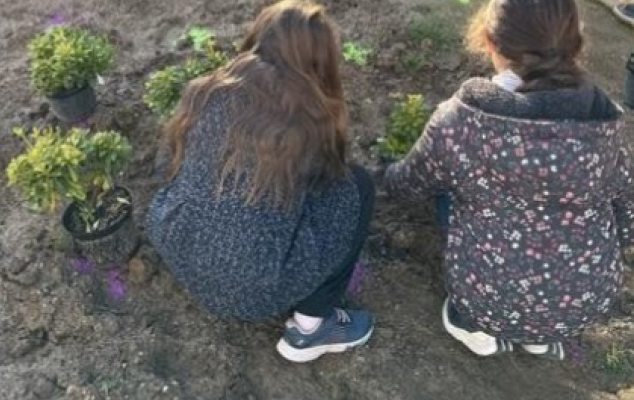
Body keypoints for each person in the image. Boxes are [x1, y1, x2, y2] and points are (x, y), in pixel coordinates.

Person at [385, 0, 634, 361]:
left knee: (446, 183)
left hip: (486, 298)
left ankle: (470, 325)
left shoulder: (462, 119)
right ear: (576, 41)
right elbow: (627, 213)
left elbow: (409, 185)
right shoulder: (604, 123)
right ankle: (541, 337)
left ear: (489, 40)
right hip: (581, 303)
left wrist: (380, 173)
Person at [146, 0, 375, 363]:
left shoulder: (205, 90)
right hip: (253, 290)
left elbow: (168, 164)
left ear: (257, 38)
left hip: (178, 245)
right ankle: (311, 328)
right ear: (321, 61)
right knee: (356, 187)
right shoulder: (310, 119)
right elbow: (328, 187)